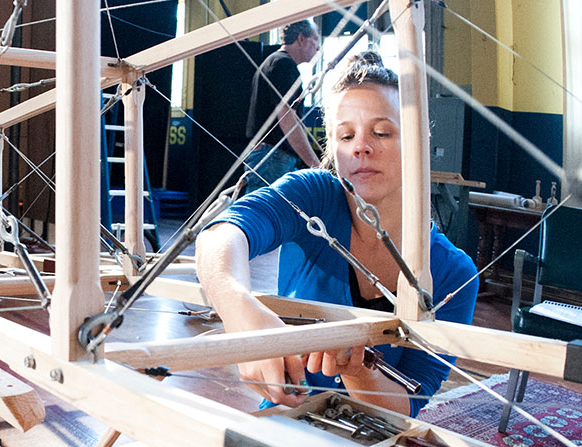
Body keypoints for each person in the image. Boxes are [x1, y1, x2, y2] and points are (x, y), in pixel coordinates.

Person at [199, 51, 479, 417]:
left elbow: (407, 405)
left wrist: (354, 367)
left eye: (382, 132)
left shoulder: (454, 273)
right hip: (284, 422)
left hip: (373, 438)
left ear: (418, 143)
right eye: (346, 136)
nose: (361, 146)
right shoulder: (313, 195)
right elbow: (221, 234)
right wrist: (240, 310)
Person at [242, 20, 321, 192]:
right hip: (272, 157)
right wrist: (316, 165)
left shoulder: (275, 62)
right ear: (301, 38)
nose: (318, 47)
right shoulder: (284, 65)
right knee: (264, 215)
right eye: (315, 40)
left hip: (270, 156)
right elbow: (288, 120)